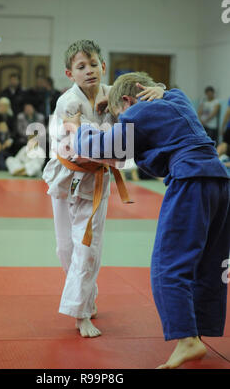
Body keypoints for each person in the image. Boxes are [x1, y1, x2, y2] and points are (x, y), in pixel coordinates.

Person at [67, 72, 230, 369]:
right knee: (209, 262)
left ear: (129, 101)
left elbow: (105, 147)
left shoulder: (137, 113)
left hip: (190, 180)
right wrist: (159, 89)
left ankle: (187, 340)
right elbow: (169, 93)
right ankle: (199, 330)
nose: (120, 121)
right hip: (221, 183)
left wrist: (79, 129)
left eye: (119, 115)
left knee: (168, 264)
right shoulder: (178, 99)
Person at [42, 40, 165, 339]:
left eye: (94, 64)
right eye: (81, 67)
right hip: (65, 177)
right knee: (66, 250)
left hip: (96, 181)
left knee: (87, 250)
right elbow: (75, 144)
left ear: (103, 66)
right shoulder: (67, 103)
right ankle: (87, 294)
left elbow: (149, 92)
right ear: (70, 74)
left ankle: (81, 314)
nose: (89, 71)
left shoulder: (115, 93)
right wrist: (95, 128)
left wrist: (160, 89)